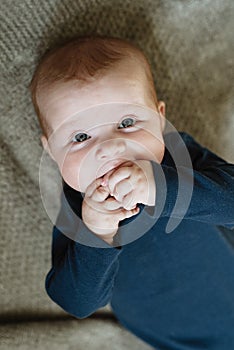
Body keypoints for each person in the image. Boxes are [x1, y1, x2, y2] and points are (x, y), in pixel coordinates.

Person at [29, 35, 234, 349]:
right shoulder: (79, 209)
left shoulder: (179, 158)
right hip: (175, 339)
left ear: (159, 117)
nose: (109, 148)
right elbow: (77, 303)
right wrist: (98, 233)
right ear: (51, 150)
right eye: (81, 136)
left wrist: (160, 186)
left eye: (126, 122)